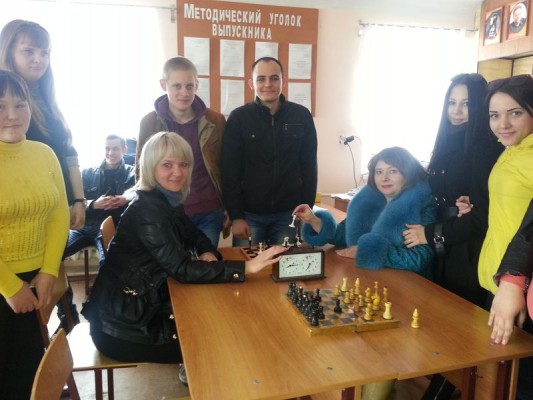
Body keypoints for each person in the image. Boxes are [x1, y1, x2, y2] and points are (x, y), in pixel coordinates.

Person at [81, 131, 286, 385]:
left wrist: (207, 251)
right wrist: (246, 267)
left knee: (224, 315)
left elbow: (192, 233)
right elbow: (182, 270)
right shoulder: (148, 209)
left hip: (137, 306)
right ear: (150, 167)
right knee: (230, 337)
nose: (177, 172)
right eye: (167, 165)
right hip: (124, 328)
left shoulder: (165, 198)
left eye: (184, 164)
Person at [293, 146, 435, 400]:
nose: (384, 178)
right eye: (379, 172)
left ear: (408, 173)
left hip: (406, 295)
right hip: (367, 285)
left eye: (393, 171)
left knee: (380, 354)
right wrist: (314, 220)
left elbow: (420, 258)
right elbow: (342, 235)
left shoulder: (421, 204)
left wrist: (370, 251)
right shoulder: (368, 201)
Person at [402, 73, 503, 399]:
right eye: (452, 103)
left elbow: (480, 219)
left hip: (467, 251)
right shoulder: (448, 141)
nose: (456, 111)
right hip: (447, 245)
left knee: (458, 331)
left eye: (466, 104)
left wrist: (430, 234)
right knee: (441, 325)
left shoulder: (483, 148)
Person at [0, 70, 69, 400]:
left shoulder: (44, 153)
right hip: (5, 285)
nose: (12, 115)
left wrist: (48, 271)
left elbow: (59, 214)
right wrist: (11, 288)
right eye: (0, 106)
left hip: (36, 279)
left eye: (20, 104)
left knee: (27, 373)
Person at [221, 56, 318, 247]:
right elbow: (229, 172)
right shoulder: (238, 118)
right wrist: (236, 215)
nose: (268, 84)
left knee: (286, 265)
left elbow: (309, 167)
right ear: (251, 83)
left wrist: (307, 208)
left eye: (274, 78)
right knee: (248, 265)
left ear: (283, 81)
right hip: (249, 216)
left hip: (289, 214)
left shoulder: (301, 116)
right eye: (261, 79)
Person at [0, 20, 85, 232]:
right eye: (28, 51)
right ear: (8, 52)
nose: (38, 59)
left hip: (58, 206)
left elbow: (69, 153)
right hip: (23, 213)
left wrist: (78, 200)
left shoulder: (47, 99)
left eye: (44, 53)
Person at [478, 74, 533, 400]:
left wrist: (516, 283)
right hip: (499, 283)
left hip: (520, 288)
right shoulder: (511, 150)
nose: (503, 124)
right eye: (494, 115)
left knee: (522, 384)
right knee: (501, 380)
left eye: (515, 112)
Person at [137, 56, 226, 247]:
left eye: (189, 86)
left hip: (208, 212)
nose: (184, 93)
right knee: (171, 264)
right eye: (177, 86)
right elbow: (141, 170)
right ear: (164, 85)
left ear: (197, 85)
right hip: (165, 212)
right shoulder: (149, 123)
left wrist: (230, 210)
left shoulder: (216, 121)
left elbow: (226, 167)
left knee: (207, 262)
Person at [57, 134, 135, 327]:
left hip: (110, 229)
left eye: (115, 148)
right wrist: (93, 204)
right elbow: (74, 202)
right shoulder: (87, 173)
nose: (110, 153)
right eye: (107, 148)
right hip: (84, 227)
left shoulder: (133, 173)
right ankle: (67, 313)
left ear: (124, 150)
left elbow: (140, 196)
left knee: (108, 261)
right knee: (54, 254)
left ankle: (100, 306)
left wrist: (124, 200)